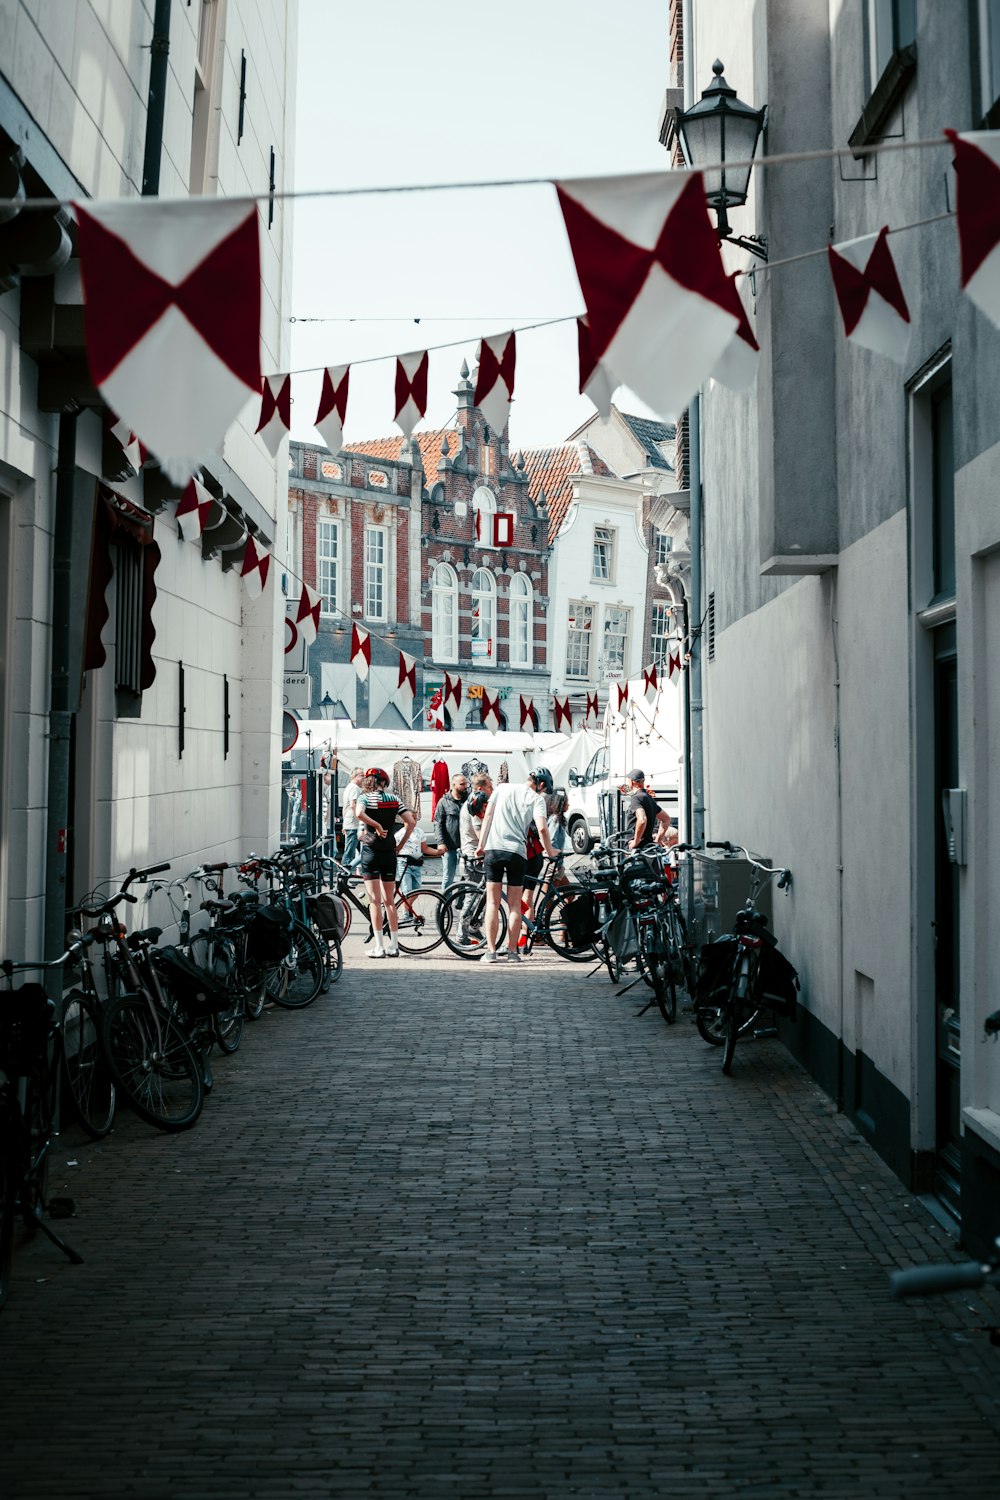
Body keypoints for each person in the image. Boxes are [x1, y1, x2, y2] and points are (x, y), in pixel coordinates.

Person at [475, 767, 556, 963]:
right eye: (544, 790)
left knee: (493, 903)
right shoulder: (536, 800)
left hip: (494, 850)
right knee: (514, 906)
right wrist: (550, 851)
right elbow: (543, 828)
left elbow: (488, 817)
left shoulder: (501, 788)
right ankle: (512, 952)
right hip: (517, 854)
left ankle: (491, 952)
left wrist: (480, 846)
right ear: (541, 784)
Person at [355, 767, 415, 958]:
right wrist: (401, 844)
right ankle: (395, 946)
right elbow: (411, 822)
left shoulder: (365, 798)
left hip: (371, 852)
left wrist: (376, 825)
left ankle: (379, 947)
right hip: (389, 851)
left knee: (374, 901)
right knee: (390, 901)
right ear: (384, 783)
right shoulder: (394, 799)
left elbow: (358, 814)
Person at [432, 772, 469, 890]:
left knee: (466, 876)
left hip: (466, 845)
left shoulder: (469, 800)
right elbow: (438, 823)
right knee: (448, 877)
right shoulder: (443, 802)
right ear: (453, 785)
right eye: (462, 784)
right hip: (449, 846)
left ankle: (461, 902)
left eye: (466, 784)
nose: (465, 786)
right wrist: (441, 842)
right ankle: (445, 905)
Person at [622, 769, 673, 852]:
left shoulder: (636, 798)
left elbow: (642, 820)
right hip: (649, 848)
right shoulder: (649, 798)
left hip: (637, 850)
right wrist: (658, 840)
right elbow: (666, 819)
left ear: (632, 782)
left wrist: (636, 841)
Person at [340, 768, 365, 870]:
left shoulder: (349, 787)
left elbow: (345, 807)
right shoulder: (355, 788)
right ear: (355, 776)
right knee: (350, 851)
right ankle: (344, 872)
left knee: (359, 851)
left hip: (349, 823)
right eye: (362, 775)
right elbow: (352, 804)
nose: (364, 778)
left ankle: (346, 872)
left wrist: (344, 824)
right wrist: (359, 819)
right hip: (353, 824)